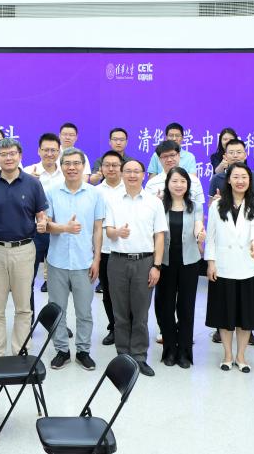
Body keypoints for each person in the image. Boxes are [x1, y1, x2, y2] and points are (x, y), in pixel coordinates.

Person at [0, 137, 49, 357]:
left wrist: (43, 222)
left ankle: (21, 351)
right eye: (3, 154)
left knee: (23, 307)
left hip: (24, 249)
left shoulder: (33, 183)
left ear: (20, 156)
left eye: (12, 154)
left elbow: (41, 214)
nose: (8, 158)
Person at [41, 148, 105, 371]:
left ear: (83, 166)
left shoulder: (95, 194)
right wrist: (65, 228)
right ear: (61, 167)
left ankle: (83, 351)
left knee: (84, 311)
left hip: (84, 261)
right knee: (57, 310)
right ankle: (62, 350)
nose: (71, 167)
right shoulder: (51, 192)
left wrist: (97, 259)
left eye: (76, 163)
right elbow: (46, 225)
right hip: (57, 261)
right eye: (67, 163)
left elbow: (98, 229)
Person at [103, 157, 165, 376]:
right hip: (117, 261)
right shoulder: (112, 200)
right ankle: (122, 355)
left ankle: (139, 356)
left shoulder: (154, 202)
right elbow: (108, 231)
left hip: (144, 262)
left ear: (143, 175)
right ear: (121, 174)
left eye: (136, 171)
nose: (131, 175)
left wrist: (156, 266)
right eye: (127, 171)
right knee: (120, 313)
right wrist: (117, 232)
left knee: (140, 314)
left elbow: (159, 236)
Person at [204, 162, 254, 373]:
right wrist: (211, 262)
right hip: (224, 266)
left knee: (245, 315)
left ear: (250, 180)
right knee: (225, 313)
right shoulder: (216, 205)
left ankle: (241, 356)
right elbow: (211, 237)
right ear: (228, 180)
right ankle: (227, 355)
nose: (240, 181)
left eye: (244, 177)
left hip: (248, 266)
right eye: (236, 177)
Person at [158, 167, 204, 368]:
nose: (179, 185)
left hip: (189, 263)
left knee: (186, 307)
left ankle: (185, 351)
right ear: (168, 184)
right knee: (166, 307)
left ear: (188, 184)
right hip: (165, 263)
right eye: (174, 181)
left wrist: (200, 235)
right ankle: (170, 349)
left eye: (183, 181)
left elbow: (198, 226)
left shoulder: (195, 206)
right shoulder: (159, 205)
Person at [94, 151, 126, 346]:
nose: (111, 168)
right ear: (102, 168)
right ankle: (114, 327)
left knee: (127, 293)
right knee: (108, 293)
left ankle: (128, 327)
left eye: (115, 165)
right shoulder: (95, 191)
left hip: (127, 249)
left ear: (121, 167)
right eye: (107, 165)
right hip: (105, 250)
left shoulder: (130, 187)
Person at [26, 133, 63, 295]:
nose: (49, 154)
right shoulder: (27, 172)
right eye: (45, 150)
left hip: (58, 229)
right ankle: (28, 308)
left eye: (53, 150)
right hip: (34, 230)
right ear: (38, 151)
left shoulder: (66, 173)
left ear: (59, 151)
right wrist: (28, 182)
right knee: (28, 276)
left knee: (58, 279)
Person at [145, 141, 205, 208]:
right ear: (159, 159)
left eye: (172, 155)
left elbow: (199, 209)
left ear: (178, 155)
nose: (169, 159)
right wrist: (156, 204)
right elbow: (147, 210)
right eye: (165, 156)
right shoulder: (151, 184)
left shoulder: (194, 180)